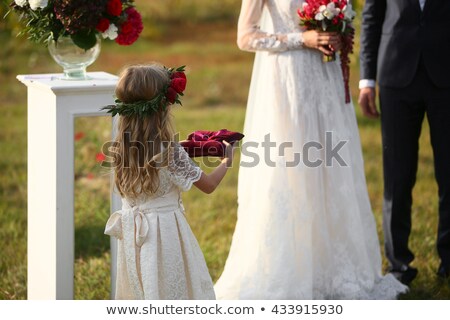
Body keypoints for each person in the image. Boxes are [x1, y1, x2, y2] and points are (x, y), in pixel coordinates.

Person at [214, 0, 407, 299]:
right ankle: (291, 268)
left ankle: (334, 269)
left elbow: (346, 20)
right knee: (292, 171)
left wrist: (336, 32)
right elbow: (245, 36)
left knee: (332, 171)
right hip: (287, 82)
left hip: (324, 80)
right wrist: (301, 39)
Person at [104, 64, 236, 299]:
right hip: (165, 235)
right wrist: (227, 160)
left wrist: (183, 150)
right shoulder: (169, 152)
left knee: (143, 285)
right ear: (162, 108)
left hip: (135, 237)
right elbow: (208, 185)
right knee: (170, 287)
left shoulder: (119, 148)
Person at [359, 0, 450, 285]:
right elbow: (371, 19)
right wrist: (366, 81)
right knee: (397, 177)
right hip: (395, 77)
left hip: (446, 78)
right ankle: (399, 265)